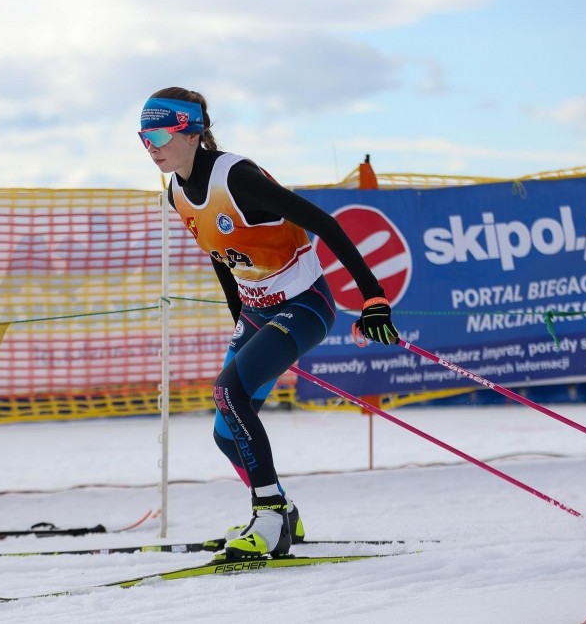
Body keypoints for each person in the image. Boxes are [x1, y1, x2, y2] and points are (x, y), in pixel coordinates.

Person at [138, 87, 400, 560]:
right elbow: (220, 255)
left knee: (228, 392)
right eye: (143, 137)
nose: (149, 146)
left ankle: (270, 515)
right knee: (226, 432)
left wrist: (374, 298)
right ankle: (284, 513)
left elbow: (326, 224)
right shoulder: (176, 191)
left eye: (157, 135)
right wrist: (239, 319)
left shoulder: (236, 178)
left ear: (192, 133)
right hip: (257, 313)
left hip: (305, 305)